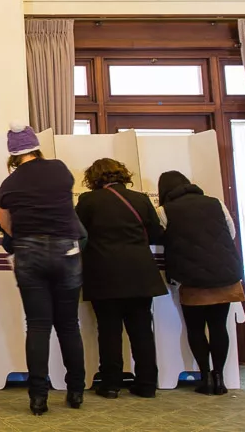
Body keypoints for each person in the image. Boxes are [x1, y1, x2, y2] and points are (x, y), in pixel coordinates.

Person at [0, 124, 84, 416]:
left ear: (12, 154)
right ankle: (75, 390)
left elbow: (7, 225)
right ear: (35, 146)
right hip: (65, 250)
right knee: (69, 324)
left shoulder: (9, 185)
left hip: (29, 253)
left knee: (37, 326)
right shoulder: (60, 169)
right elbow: (67, 203)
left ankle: (38, 397)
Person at [76, 158, 166, 399]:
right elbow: (156, 233)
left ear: (93, 178)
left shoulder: (87, 201)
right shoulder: (141, 199)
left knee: (108, 331)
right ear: (122, 174)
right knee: (141, 331)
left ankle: (111, 385)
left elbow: (76, 234)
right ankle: (147, 384)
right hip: (140, 273)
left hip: (104, 273)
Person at [157, 170, 245, 396]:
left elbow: (162, 242)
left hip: (191, 277)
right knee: (218, 327)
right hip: (223, 275)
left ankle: (204, 376)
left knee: (195, 328)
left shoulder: (164, 211)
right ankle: (220, 377)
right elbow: (231, 233)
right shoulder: (216, 203)